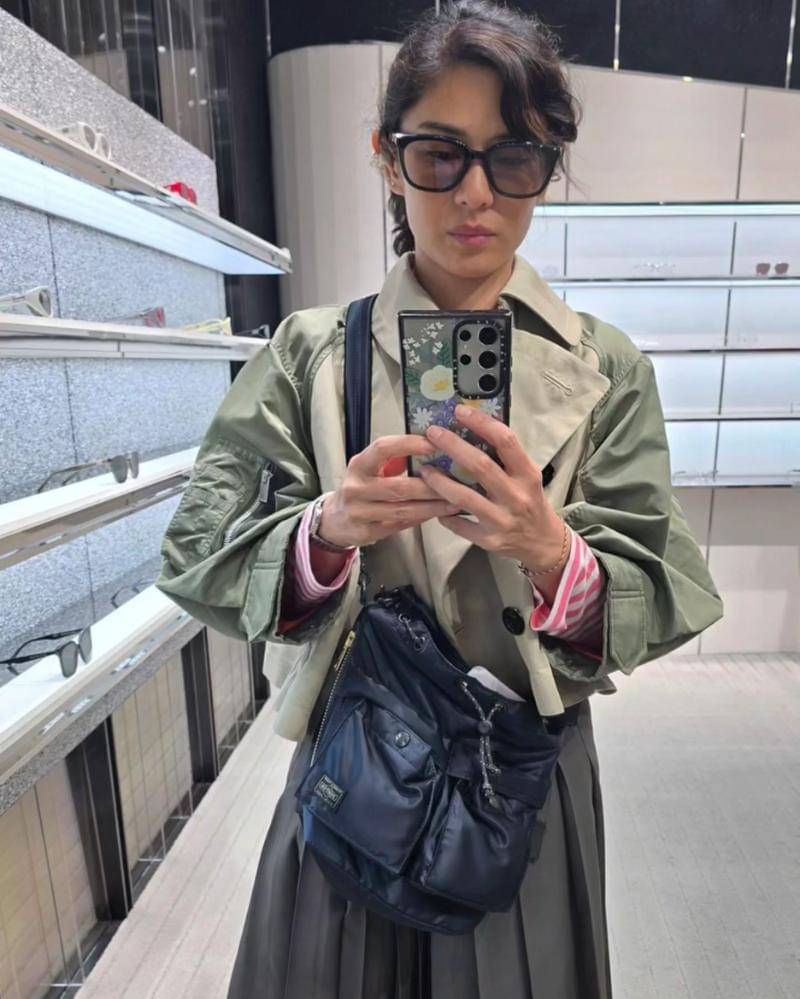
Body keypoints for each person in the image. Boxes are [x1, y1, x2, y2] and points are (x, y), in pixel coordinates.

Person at [155, 2, 724, 996]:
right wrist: (324, 534)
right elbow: (198, 550)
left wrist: (553, 555)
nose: (476, 194)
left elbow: (663, 584)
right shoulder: (308, 355)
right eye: (439, 154)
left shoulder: (606, 369)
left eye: (514, 157)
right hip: (356, 761)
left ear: (546, 166)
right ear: (386, 158)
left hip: (518, 778)